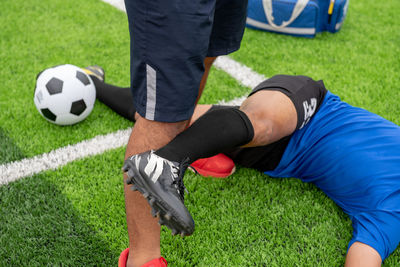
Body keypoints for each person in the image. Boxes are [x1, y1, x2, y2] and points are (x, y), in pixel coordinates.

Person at [118, 74, 400, 266]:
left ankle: (93, 84)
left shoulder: (392, 214)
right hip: (311, 107)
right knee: (263, 124)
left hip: (277, 156)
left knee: (172, 122)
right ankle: (165, 162)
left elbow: (365, 253)